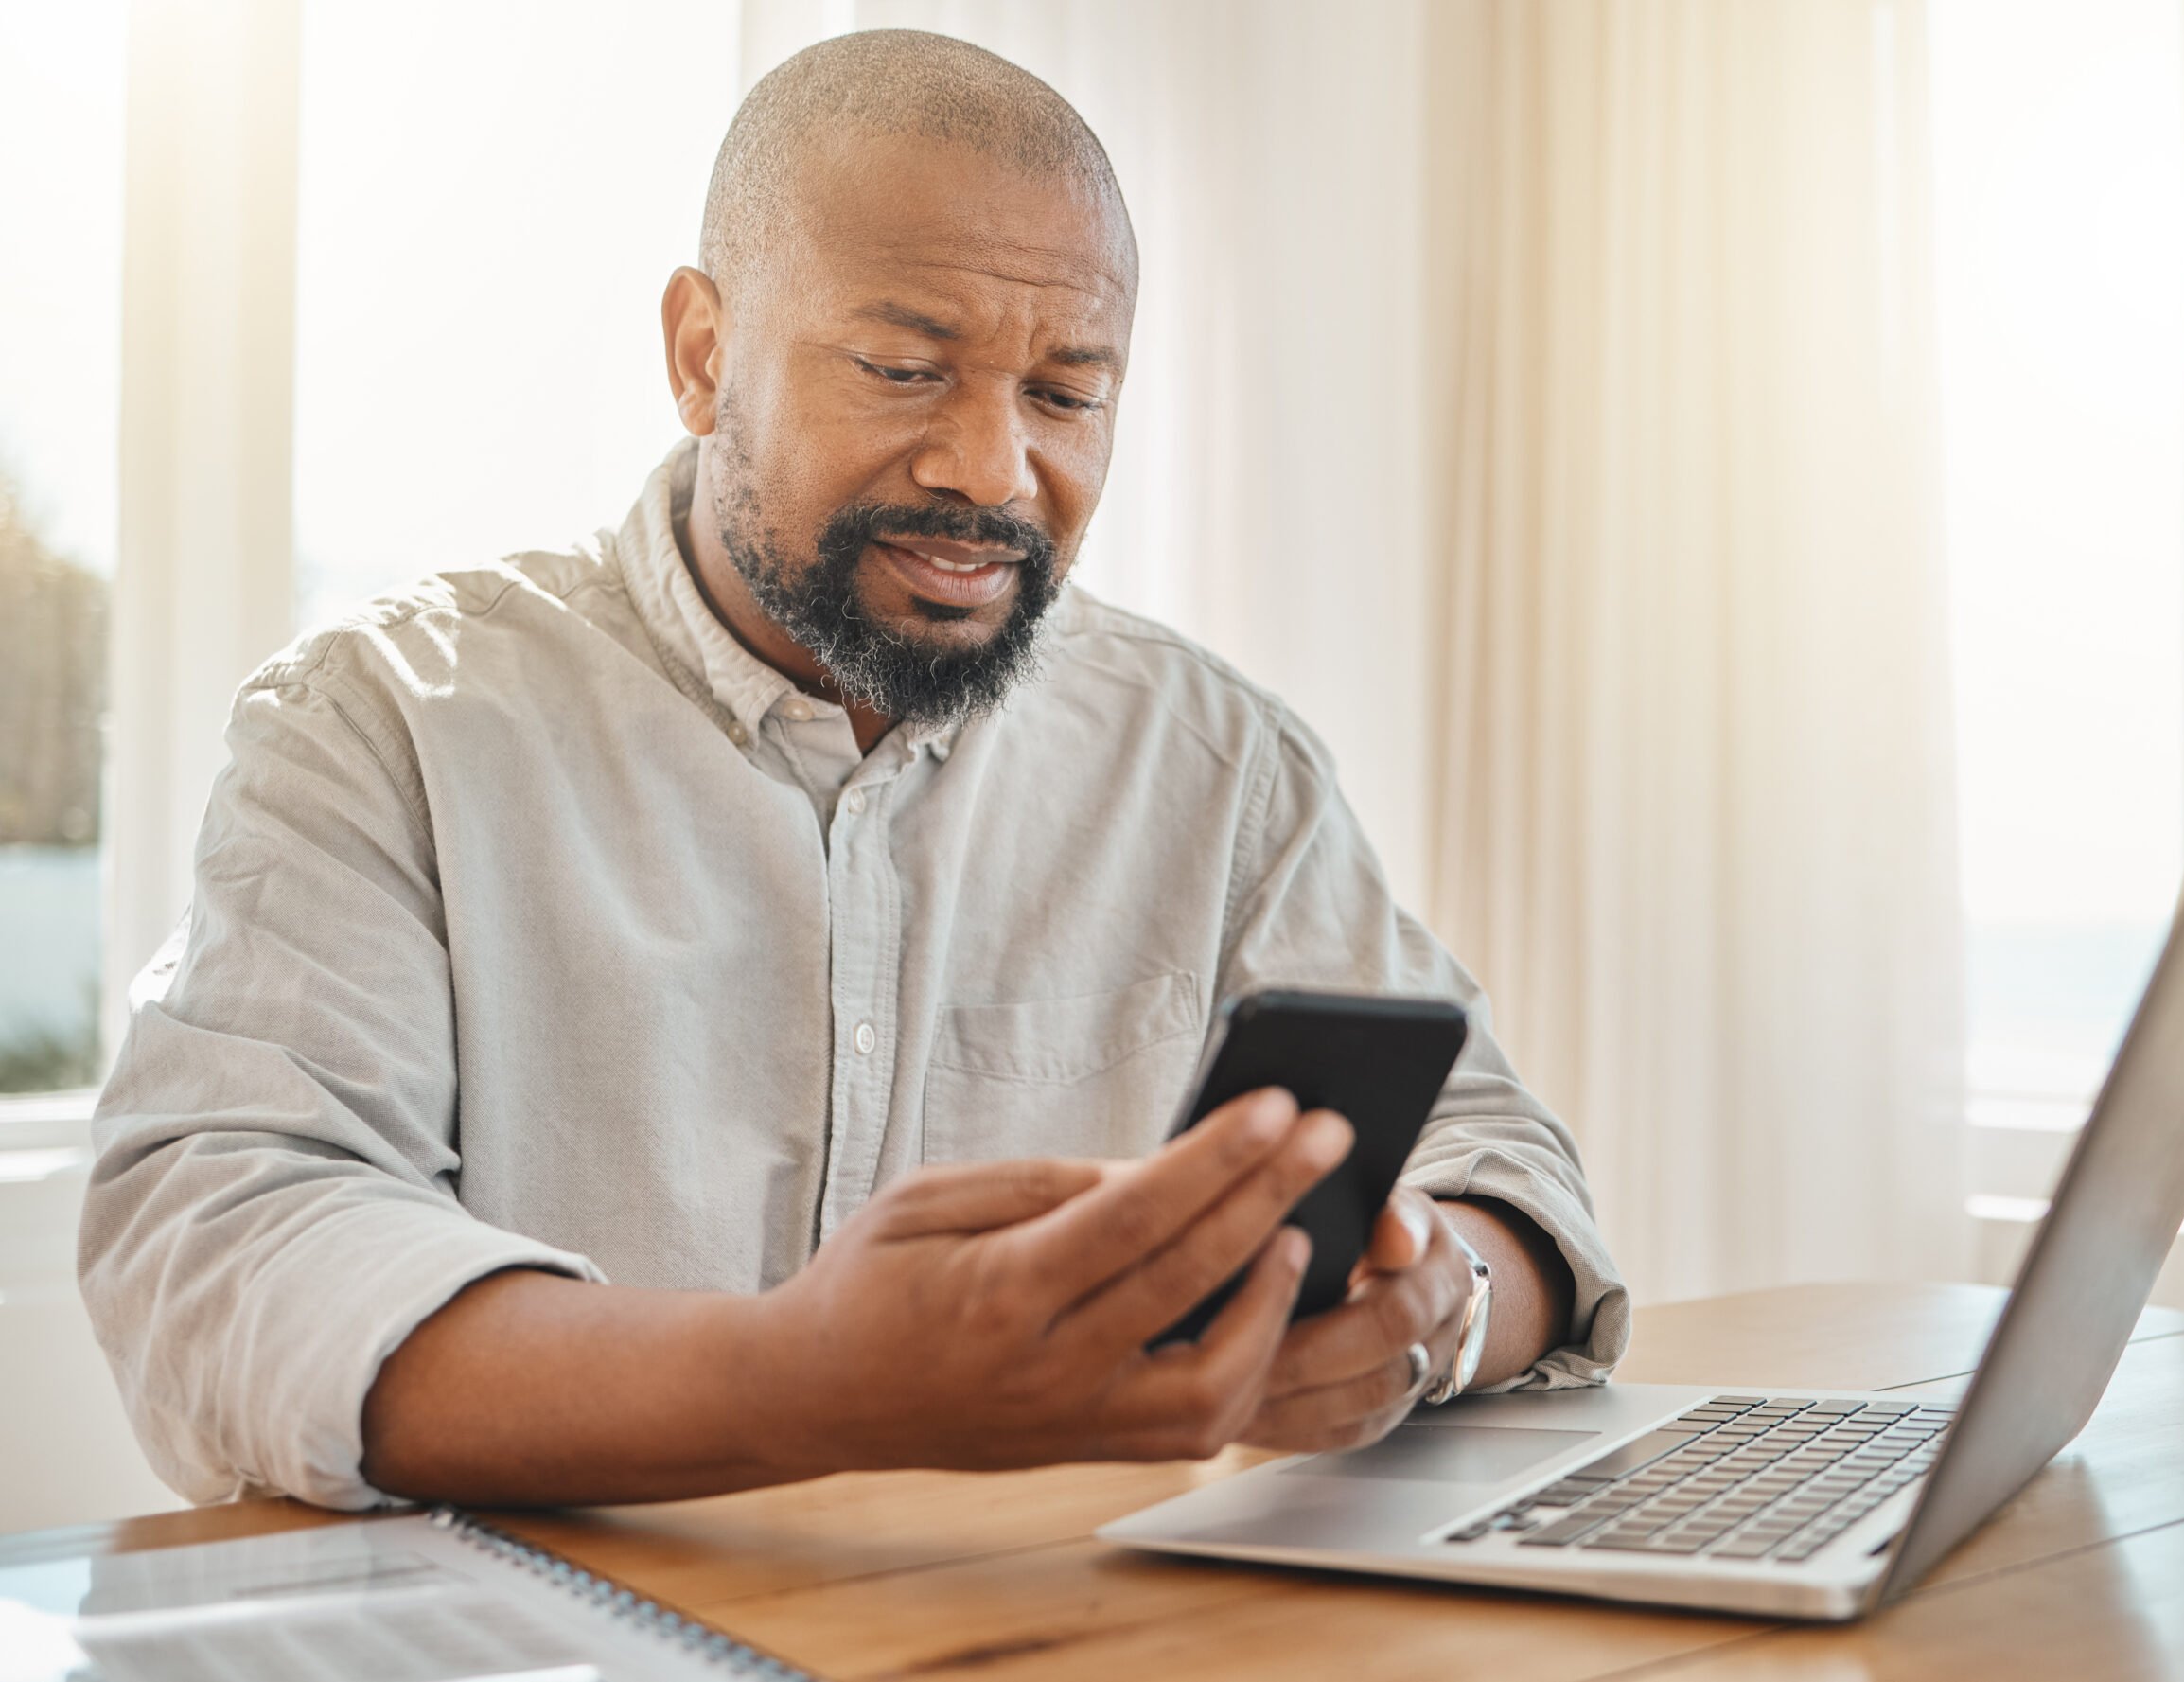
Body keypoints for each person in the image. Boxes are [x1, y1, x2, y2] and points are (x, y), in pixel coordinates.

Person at [79, 29, 1627, 1512]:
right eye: (902, 367)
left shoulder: (1219, 764)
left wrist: (1436, 1303)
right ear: (702, 352)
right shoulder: (389, 722)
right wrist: (797, 1378)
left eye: (1068, 394)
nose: (992, 470)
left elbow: (1510, 1169)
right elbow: (226, 1244)